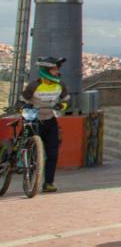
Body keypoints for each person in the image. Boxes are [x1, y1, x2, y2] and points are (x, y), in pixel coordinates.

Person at [21, 57, 71, 193]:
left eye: (57, 69)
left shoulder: (60, 85)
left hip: (50, 120)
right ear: (45, 71)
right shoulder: (34, 85)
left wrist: (62, 105)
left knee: (53, 153)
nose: (56, 71)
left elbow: (67, 100)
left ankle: (48, 183)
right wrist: (24, 106)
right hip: (34, 120)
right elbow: (22, 100)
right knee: (32, 153)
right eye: (54, 69)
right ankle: (29, 181)